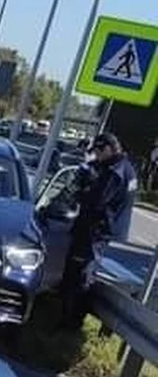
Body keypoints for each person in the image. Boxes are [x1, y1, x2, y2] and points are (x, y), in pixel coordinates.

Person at [59, 132, 138, 329]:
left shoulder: (115, 172)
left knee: (80, 277)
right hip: (100, 229)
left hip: (96, 231)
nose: (97, 156)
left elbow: (96, 201)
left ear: (108, 149)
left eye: (98, 152)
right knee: (79, 274)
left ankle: (71, 322)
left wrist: (80, 191)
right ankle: (68, 318)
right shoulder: (125, 168)